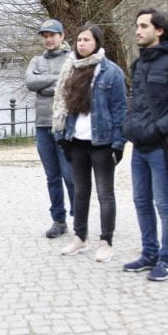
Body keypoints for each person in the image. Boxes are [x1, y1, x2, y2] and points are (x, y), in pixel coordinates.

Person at [122, 9, 168, 282]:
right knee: (141, 201)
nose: (138, 31)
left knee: (164, 204)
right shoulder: (139, 64)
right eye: (137, 26)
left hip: (162, 147)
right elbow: (135, 102)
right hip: (139, 147)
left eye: (143, 26)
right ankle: (149, 253)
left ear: (160, 30)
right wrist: (128, 126)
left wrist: (156, 129)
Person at [52, 23, 126, 262]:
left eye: (87, 40)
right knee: (81, 192)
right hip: (77, 142)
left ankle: (106, 242)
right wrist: (63, 138)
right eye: (79, 40)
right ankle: (80, 238)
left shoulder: (111, 72)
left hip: (102, 143)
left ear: (97, 43)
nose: (81, 44)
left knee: (105, 194)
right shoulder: (71, 69)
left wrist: (118, 144)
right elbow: (64, 108)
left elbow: (119, 110)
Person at [25, 18, 76, 239]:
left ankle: (79, 216)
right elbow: (29, 82)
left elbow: (69, 86)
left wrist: (44, 84)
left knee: (69, 175)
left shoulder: (72, 59)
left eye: (52, 35)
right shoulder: (36, 60)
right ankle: (58, 219)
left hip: (64, 125)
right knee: (52, 176)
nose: (48, 40)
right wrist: (56, 80)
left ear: (62, 36)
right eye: (45, 36)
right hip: (42, 125)